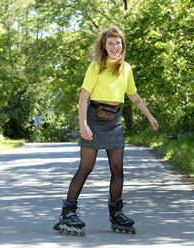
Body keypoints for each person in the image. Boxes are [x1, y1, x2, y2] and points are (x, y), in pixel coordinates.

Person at [53, 27, 159, 236]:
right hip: (93, 119)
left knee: (118, 169)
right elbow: (84, 97)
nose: (115, 47)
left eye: (118, 43)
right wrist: (83, 124)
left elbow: (133, 95)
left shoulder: (126, 68)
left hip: (114, 121)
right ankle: (68, 212)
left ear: (122, 45)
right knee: (86, 168)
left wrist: (149, 116)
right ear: (104, 46)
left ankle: (116, 213)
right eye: (110, 43)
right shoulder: (96, 67)